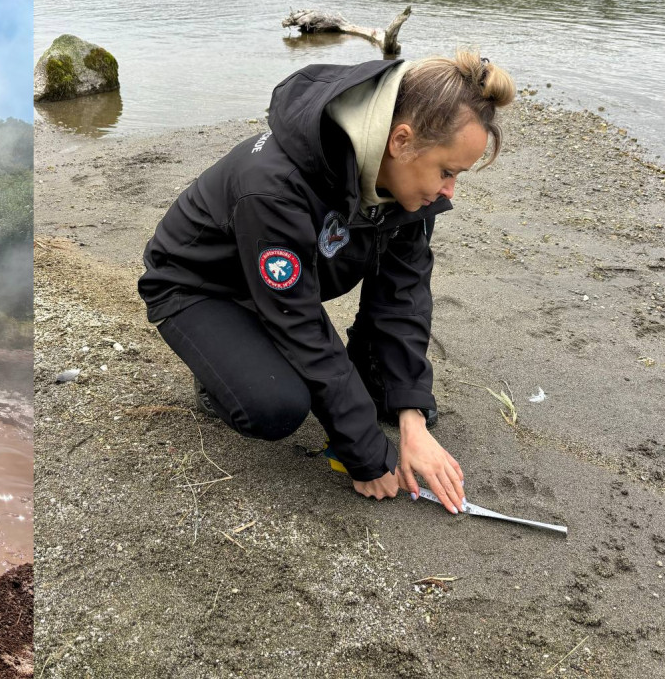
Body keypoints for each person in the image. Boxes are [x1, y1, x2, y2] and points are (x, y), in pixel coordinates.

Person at [138, 51, 515, 515]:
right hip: (199, 287)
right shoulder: (274, 186)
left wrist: (411, 417)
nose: (449, 191)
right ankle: (217, 368)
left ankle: (297, 360)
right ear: (401, 140)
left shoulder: (405, 189)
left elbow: (403, 296)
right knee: (276, 407)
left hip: (286, 290)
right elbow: (299, 324)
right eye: (447, 172)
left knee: (387, 395)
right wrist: (366, 455)